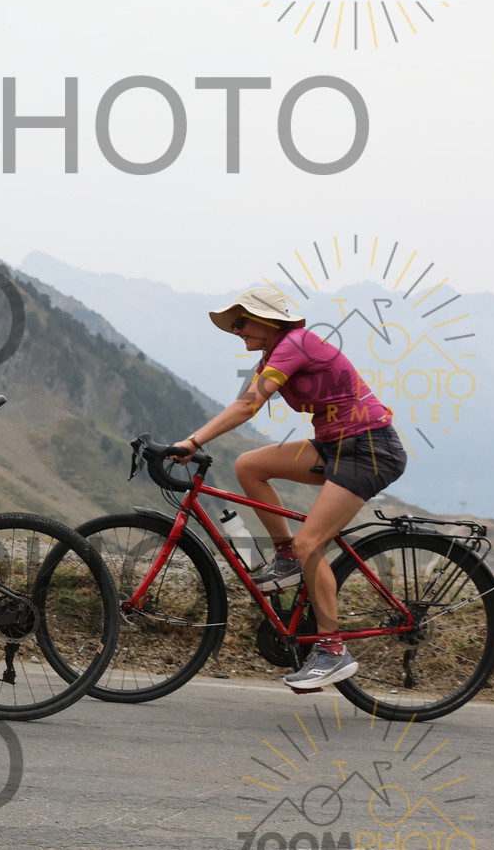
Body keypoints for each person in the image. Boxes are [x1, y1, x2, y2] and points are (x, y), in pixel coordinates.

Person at [173, 286, 407, 689]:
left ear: (267, 320)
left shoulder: (295, 343)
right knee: (249, 466)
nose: (236, 330)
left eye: (241, 322)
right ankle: (287, 560)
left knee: (309, 543)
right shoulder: (273, 354)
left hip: (369, 449)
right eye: (233, 325)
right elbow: (244, 402)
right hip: (335, 446)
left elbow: (247, 406)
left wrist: (192, 442)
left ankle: (332, 651)